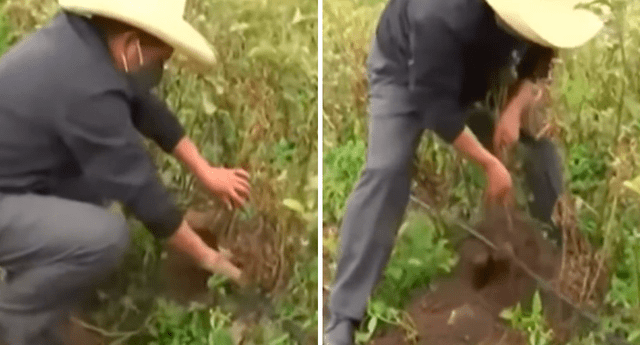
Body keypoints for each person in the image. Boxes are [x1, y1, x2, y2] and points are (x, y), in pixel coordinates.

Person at [324, 0, 603, 344]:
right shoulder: (438, 15)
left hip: (482, 72)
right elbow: (435, 109)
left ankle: (559, 264)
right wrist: (490, 164)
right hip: (406, 71)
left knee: (536, 151)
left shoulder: (537, 13)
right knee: (387, 171)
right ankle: (342, 315)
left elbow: (542, 56)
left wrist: (514, 110)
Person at [0, 0, 251, 344]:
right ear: (133, 45)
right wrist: (207, 257)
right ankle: (14, 322)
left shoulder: (81, 43)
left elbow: (146, 108)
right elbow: (139, 188)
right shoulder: (86, 89)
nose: (160, 69)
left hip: (15, 176)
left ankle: (41, 299)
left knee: (95, 190)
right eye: (160, 59)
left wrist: (205, 170)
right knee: (105, 235)